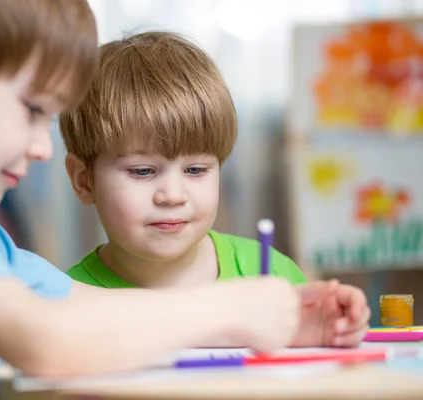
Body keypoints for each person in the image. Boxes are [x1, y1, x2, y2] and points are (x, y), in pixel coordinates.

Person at [0, 3, 316, 400]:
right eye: (34, 110)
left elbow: (93, 307)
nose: (42, 147)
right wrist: (229, 307)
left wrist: (281, 320)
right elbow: (48, 338)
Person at [60, 31, 370, 347]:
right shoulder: (62, 303)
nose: (172, 195)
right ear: (84, 180)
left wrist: (330, 332)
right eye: (142, 171)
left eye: (195, 170)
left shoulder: (271, 274)